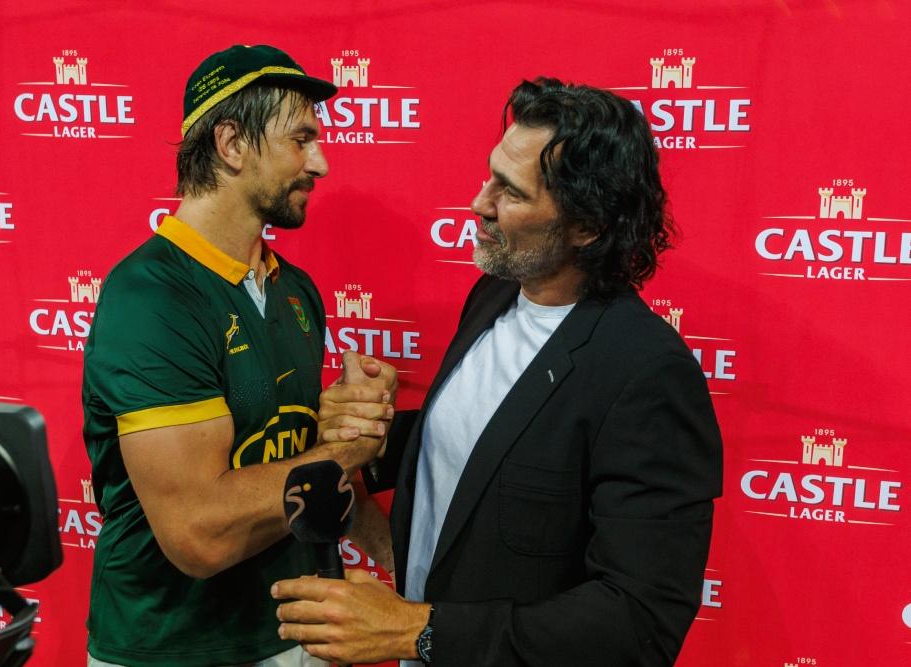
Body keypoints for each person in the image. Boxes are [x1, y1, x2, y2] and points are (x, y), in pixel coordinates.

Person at [272, 78, 724, 667]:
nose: (479, 203)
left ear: (586, 226)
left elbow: (640, 623)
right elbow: (497, 454)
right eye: (489, 177)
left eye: (509, 192)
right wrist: (370, 429)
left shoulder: (646, 372)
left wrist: (419, 631)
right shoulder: (494, 293)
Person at [81, 44, 394, 667]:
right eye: (300, 139)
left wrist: (346, 430)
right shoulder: (152, 298)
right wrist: (344, 449)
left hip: (295, 629)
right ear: (231, 144)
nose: (321, 163)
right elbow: (198, 534)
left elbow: (299, 466)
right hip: (173, 649)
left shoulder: (294, 287)